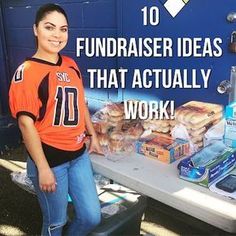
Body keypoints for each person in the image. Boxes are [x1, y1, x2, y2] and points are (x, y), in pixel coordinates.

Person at [9, 3, 103, 236]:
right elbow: (25, 123)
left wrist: (92, 135)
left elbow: (80, 104)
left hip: (78, 154)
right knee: (55, 222)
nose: (57, 35)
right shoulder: (27, 71)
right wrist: (43, 168)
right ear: (35, 29)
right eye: (50, 27)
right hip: (50, 159)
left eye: (63, 29)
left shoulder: (71, 64)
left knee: (92, 216)